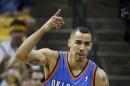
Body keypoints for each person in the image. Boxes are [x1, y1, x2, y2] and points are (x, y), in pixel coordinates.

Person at [16, 9, 109, 86]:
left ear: (90, 47)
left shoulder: (98, 76)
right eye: (78, 42)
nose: (82, 48)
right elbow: (20, 56)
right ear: (69, 43)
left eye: (86, 44)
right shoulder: (53, 59)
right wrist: (45, 28)